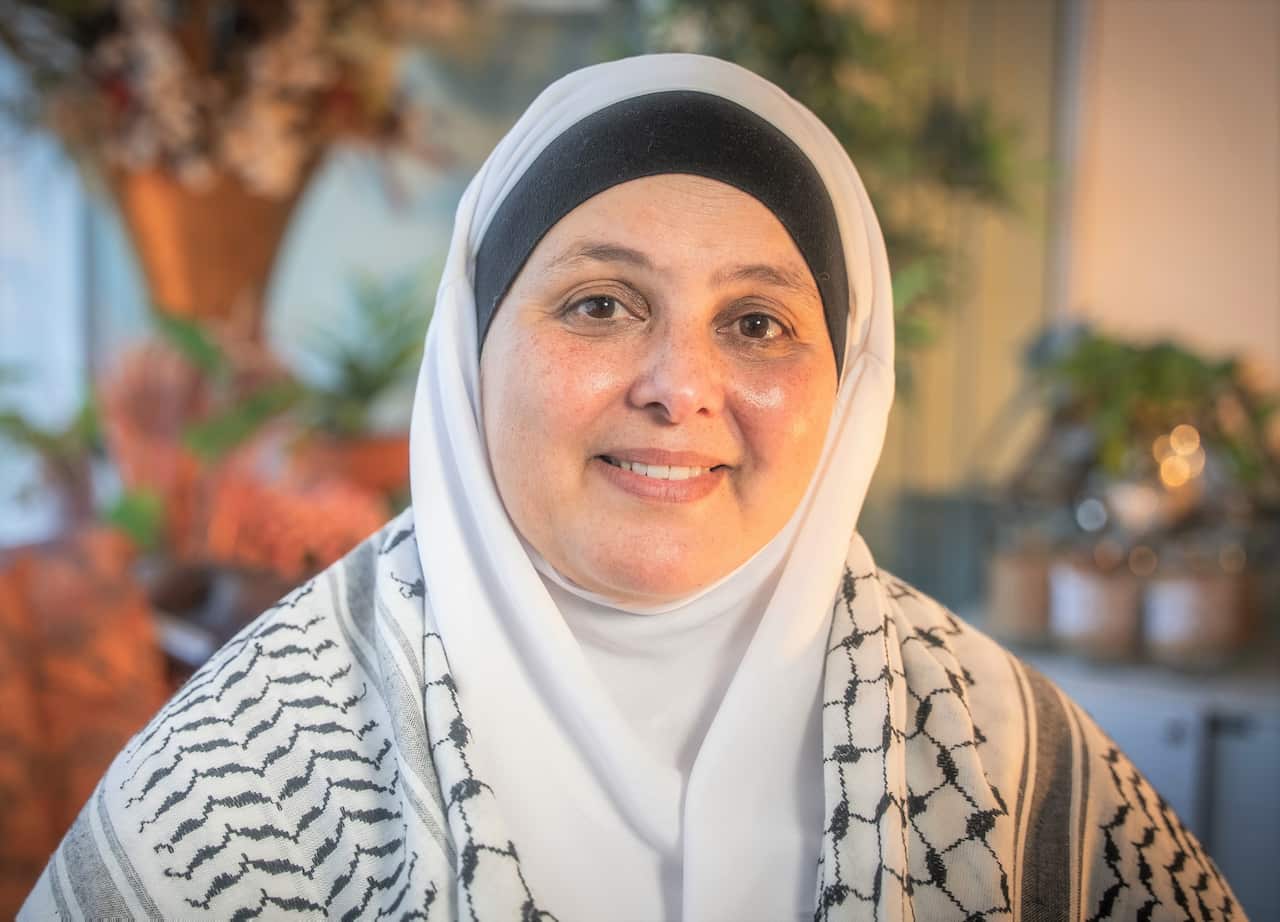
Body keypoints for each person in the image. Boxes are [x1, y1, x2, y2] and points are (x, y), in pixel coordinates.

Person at [21, 54, 1242, 922]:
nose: (680, 386)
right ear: (471, 357)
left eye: (757, 322)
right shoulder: (253, 775)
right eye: (600, 304)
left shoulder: (1002, 755)